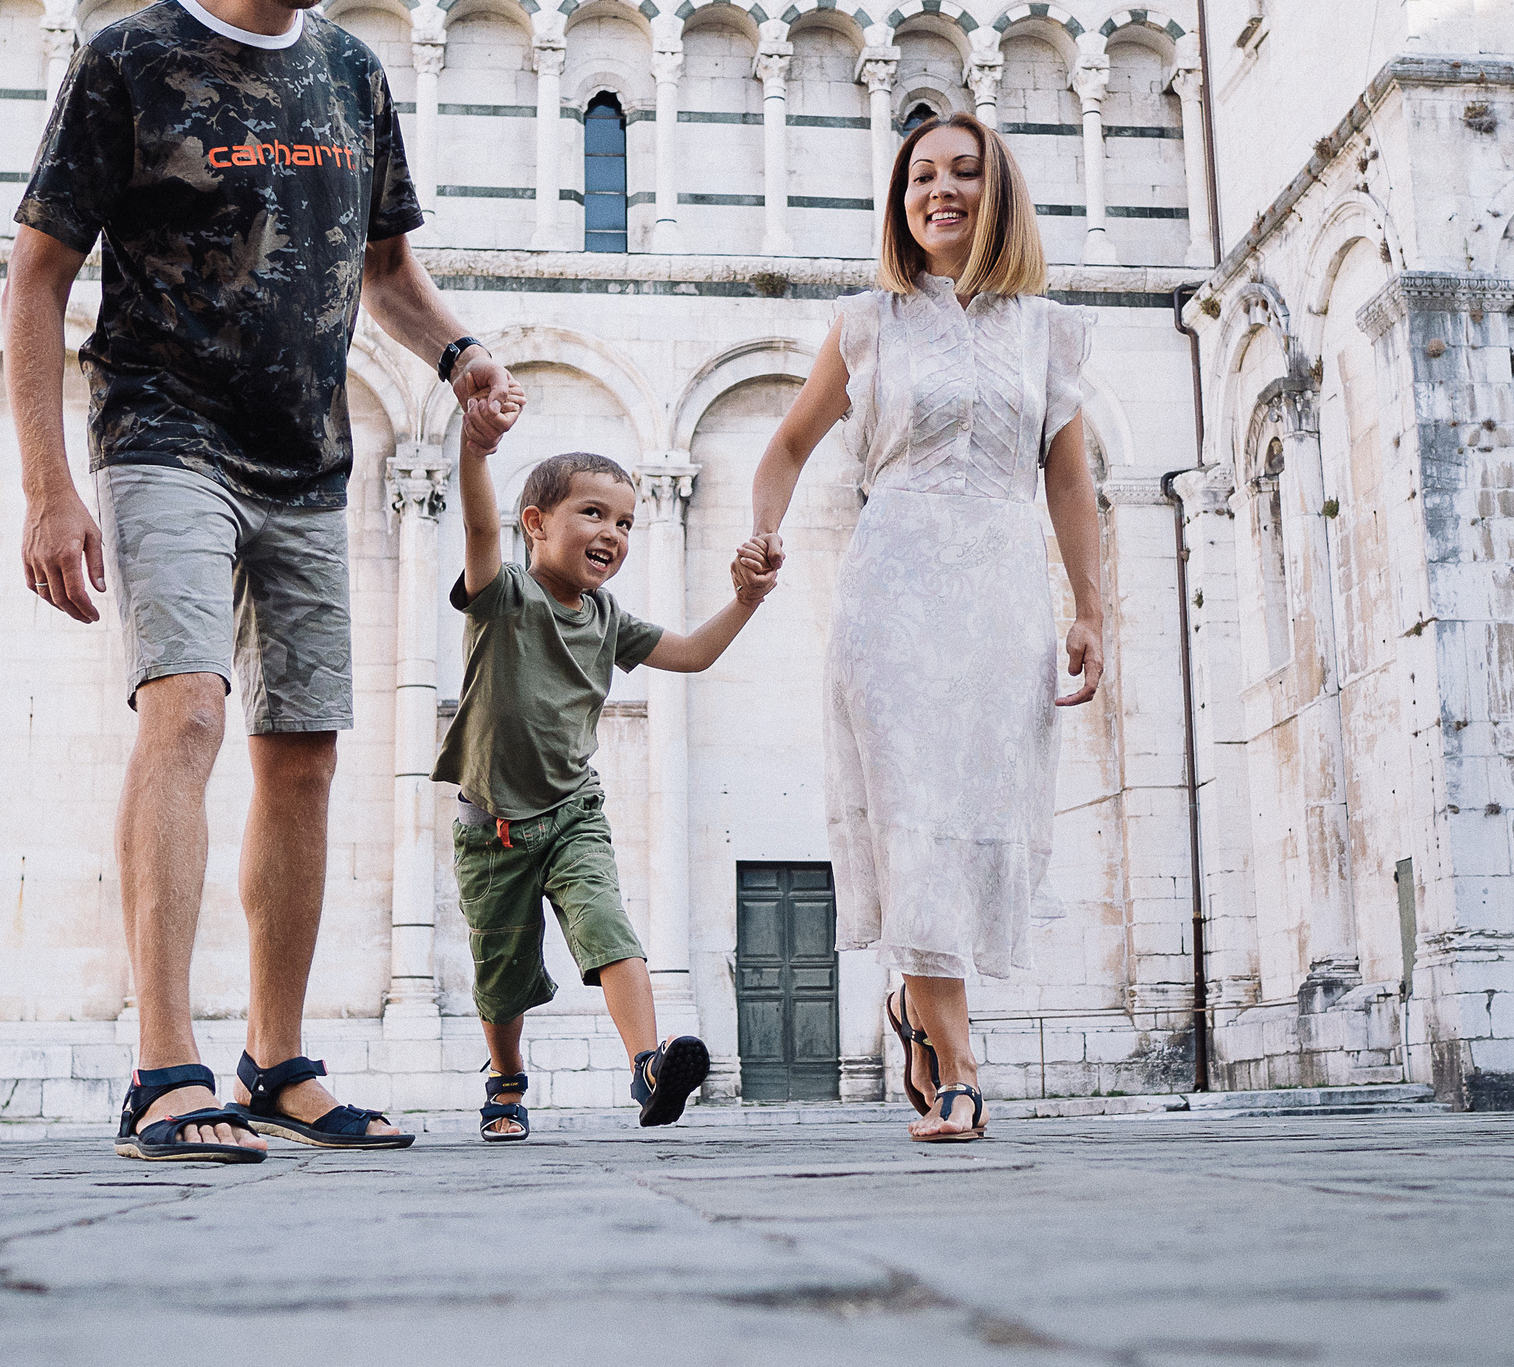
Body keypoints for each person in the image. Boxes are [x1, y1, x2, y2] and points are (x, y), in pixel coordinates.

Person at [6, 0, 523, 1164]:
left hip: (306, 456)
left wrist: (460, 353)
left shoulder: (351, 75)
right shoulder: (132, 59)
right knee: (185, 710)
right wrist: (48, 485)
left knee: (305, 754)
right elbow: (37, 274)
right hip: (163, 431)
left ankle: (277, 1059)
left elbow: (387, 270)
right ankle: (162, 1067)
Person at [745, 112, 1101, 1143]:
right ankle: (960, 1068)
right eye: (919, 178)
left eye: (963, 173)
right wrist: (761, 534)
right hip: (891, 591)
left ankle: (914, 1007)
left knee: (975, 812)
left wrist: (1090, 610)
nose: (939, 191)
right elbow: (786, 445)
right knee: (913, 817)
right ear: (900, 205)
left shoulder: (1048, 332)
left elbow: (1068, 480)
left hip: (1000, 594)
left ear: (1000, 194)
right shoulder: (869, 323)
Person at [439, 422, 779, 1142]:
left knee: (608, 927)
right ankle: (506, 1078)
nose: (613, 533)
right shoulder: (504, 595)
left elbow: (691, 653)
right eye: (592, 513)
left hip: (573, 812)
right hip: (492, 830)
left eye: (625, 522)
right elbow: (478, 527)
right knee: (501, 974)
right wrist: (475, 448)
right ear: (535, 523)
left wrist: (746, 600)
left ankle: (647, 1067)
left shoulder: (606, 616)